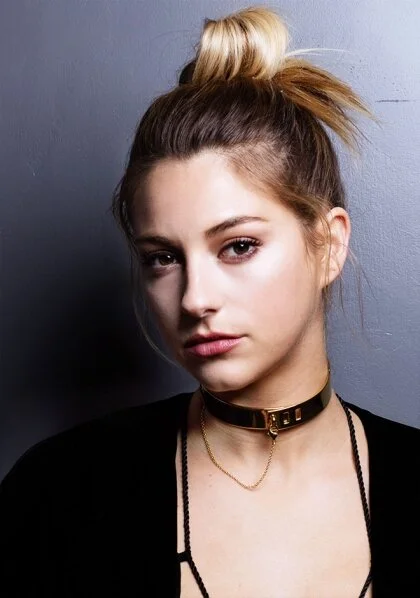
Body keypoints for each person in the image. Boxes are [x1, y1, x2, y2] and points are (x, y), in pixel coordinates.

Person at [0, 5, 419, 598]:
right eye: (162, 258)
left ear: (328, 245)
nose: (195, 299)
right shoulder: (61, 492)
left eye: (238, 246)